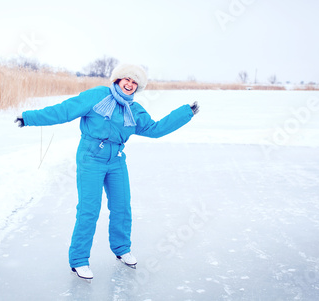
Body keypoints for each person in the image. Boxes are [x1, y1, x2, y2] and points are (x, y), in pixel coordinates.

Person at [15, 64, 199, 281]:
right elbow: (64, 111)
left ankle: (121, 248)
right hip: (90, 157)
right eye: (126, 79)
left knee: (122, 207)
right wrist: (28, 118)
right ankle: (79, 260)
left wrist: (186, 112)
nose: (130, 84)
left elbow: (155, 129)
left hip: (116, 160)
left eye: (134, 82)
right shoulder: (97, 96)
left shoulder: (135, 109)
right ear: (117, 79)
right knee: (89, 209)